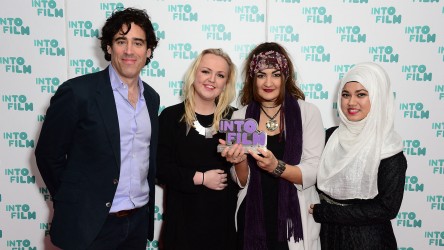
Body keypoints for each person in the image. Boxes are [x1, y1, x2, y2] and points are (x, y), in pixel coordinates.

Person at [34, 8, 159, 250]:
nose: (129, 51)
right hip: (90, 225)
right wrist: (75, 201)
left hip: (137, 223)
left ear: (149, 50)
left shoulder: (151, 98)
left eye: (138, 43)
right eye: (121, 41)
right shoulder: (78, 92)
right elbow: (48, 156)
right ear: (109, 47)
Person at [221, 42, 324, 250]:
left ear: (285, 77)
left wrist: (276, 167)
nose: (268, 82)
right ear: (253, 79)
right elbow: (241, 181)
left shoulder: (308, 113)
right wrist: (239, 160)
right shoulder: (240, 116)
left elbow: (313, 171)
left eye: (275, 74)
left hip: (293, 220)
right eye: (261, 75)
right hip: (252, 217)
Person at [309, 62, 407, 249]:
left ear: (378, 98)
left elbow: (387, 208)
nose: (351, 102)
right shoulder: (330, 137)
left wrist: (325, 212)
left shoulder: (388, 147)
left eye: (361, 94)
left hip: (367, 239)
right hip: (327, 235)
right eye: (346, 95)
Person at [156, 48, 238, 250]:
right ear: (194, 74)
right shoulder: (171, 117)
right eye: (206, 71)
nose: (212, 79)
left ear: (226, 83)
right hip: (182, 227)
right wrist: (200, 178)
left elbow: (246, 176)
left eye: (220, 75)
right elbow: (159, 168)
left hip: (224, 229)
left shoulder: (235, 119)